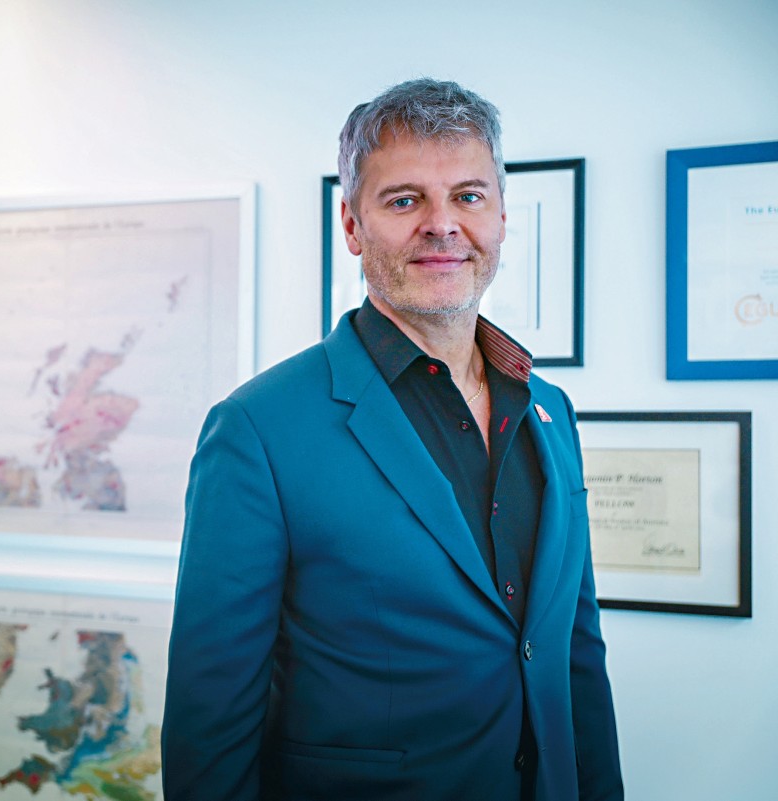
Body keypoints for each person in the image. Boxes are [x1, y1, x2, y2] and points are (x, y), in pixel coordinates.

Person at [161, 78, 623, 801]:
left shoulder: (550, 411)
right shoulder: (257, 429)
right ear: (352, 225)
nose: (442, 225)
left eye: (468, 196)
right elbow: (209, 723)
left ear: (502, 215)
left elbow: (575, 652)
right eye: (405, 200)